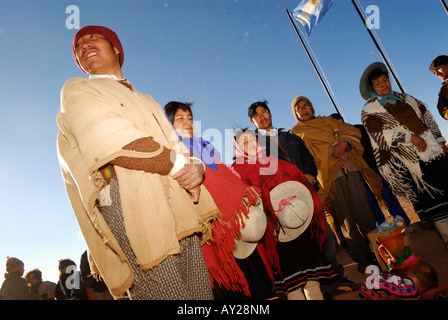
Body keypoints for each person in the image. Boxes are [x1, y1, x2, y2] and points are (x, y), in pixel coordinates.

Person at [56, 25, 220, 300]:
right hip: (128, 200)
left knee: (199, 294)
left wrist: (198, 168)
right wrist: (181, 167)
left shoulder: (145, 99)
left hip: (175, 196)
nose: (84, 45)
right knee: (164, 290)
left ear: (116, 49)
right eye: (78, 46)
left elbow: (176, 144)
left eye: (93, 37)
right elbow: (110, 139)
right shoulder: (77, 89)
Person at [164, 101, 277, 300]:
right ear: (168, 123)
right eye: (180, 119)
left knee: (256, 276)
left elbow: (226, 177)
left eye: (190, 118)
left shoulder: (206, 146)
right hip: (212, 230)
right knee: (231, 282)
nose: (188, 122)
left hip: (239, 223)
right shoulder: (171, 154)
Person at [232, 129, 337, 300]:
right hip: (274, 235)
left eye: (253, 139)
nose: (251, 143)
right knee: (292, 285)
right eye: (244, 142)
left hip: (298, 223)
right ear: (237, 147)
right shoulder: (238, 170)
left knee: (312, 280)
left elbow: (299, 180)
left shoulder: (275, 161)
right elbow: (242, 201)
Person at [290, 96, 384, 273]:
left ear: (312, 107)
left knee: (365, 214)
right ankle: (366, 263)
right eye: (299, 108)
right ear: (295, 113)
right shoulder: (296, 133)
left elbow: (348, 130)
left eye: (306, 105)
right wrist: (330, 150)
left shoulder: (328, 120)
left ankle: (381, 254)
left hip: (351, 168)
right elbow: (305, 156)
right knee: (346, 221)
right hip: (329, 178)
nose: (304, 109)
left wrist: (344, 144)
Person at [360, 61, 448, 248]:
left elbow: (427, 117)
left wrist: (440, 141)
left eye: (385, 80)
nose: (383, 85)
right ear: (372, 89)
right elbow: (379, 134)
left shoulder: (407, 99)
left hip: (433, 151)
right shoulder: (370, 110)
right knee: (434, 200)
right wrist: (410, 137)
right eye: (378, 83)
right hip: (410, 159)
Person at [329, 112, 410, 227]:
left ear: (340, 121)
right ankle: (383, 228)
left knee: (387, 197)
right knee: (370, 203)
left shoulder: (358, 129)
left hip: (374, 169)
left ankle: (402, 223)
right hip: (358, 175)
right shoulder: (336, 142)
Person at [247, 100, 318, 189]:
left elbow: (308, 159)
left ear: (270, 114)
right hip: (282, 195)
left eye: (263, 112)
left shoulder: (291, 137)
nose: (262, 117)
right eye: (256, 116)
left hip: (308, 189)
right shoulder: (253, 146)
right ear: (253, 123)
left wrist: (308, 174)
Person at [429, 55, 448, 121]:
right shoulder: (444, 90)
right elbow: (442, 109)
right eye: (434, 72)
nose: (437, 74)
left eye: (438, 68)